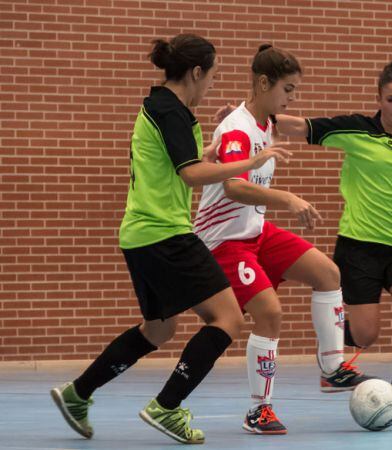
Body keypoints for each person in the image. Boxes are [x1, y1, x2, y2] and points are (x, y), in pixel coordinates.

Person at [49, 34, 290, 444]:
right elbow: (189, 174)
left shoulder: (161, 106)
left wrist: (210, 153)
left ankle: (77, 394)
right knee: (228, 318)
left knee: (158, 330)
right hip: (165, 234)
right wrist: (252, 161)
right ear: (196, 73)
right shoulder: (172, 111)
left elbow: (182, 163)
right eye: (211, 77)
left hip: (140, 235)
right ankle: (168, 406)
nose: (212, 86)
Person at [218, 59, 392, 422]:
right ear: (379, 99)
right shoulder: (355, 129)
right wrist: (247, 118)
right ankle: (334, 349)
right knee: (364, 336)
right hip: (358, 248)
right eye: (390, 99)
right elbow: (299, 126)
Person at [195, 44, 371, 436]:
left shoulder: (265, 121)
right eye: (288, 89)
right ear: (262, 83)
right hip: (225, 240)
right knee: (270, 313)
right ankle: (259, 410)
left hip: (256, 232)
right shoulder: (239, 128)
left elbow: (309, 125)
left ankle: (332, 368)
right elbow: (235, 187)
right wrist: (287, 198)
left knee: (328, 273)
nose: (292, 98)